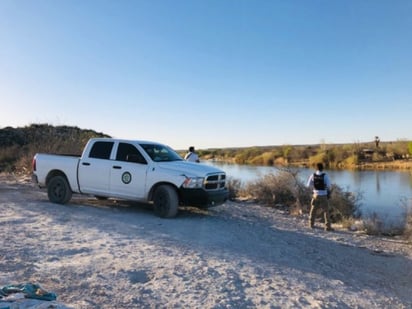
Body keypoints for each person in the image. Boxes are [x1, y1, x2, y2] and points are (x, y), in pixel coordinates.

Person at [306, 162, 333, 231]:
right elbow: (329, 186)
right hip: (323, 195)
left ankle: (311, 224)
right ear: (322, 168)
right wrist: (328, 191)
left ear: (316, 168)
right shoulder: (325, 175)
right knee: (326, 211)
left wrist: (314, 188)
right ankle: (327, 227)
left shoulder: (313, 175)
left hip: (315, 195)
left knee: (313, 210)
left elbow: (308, 185)